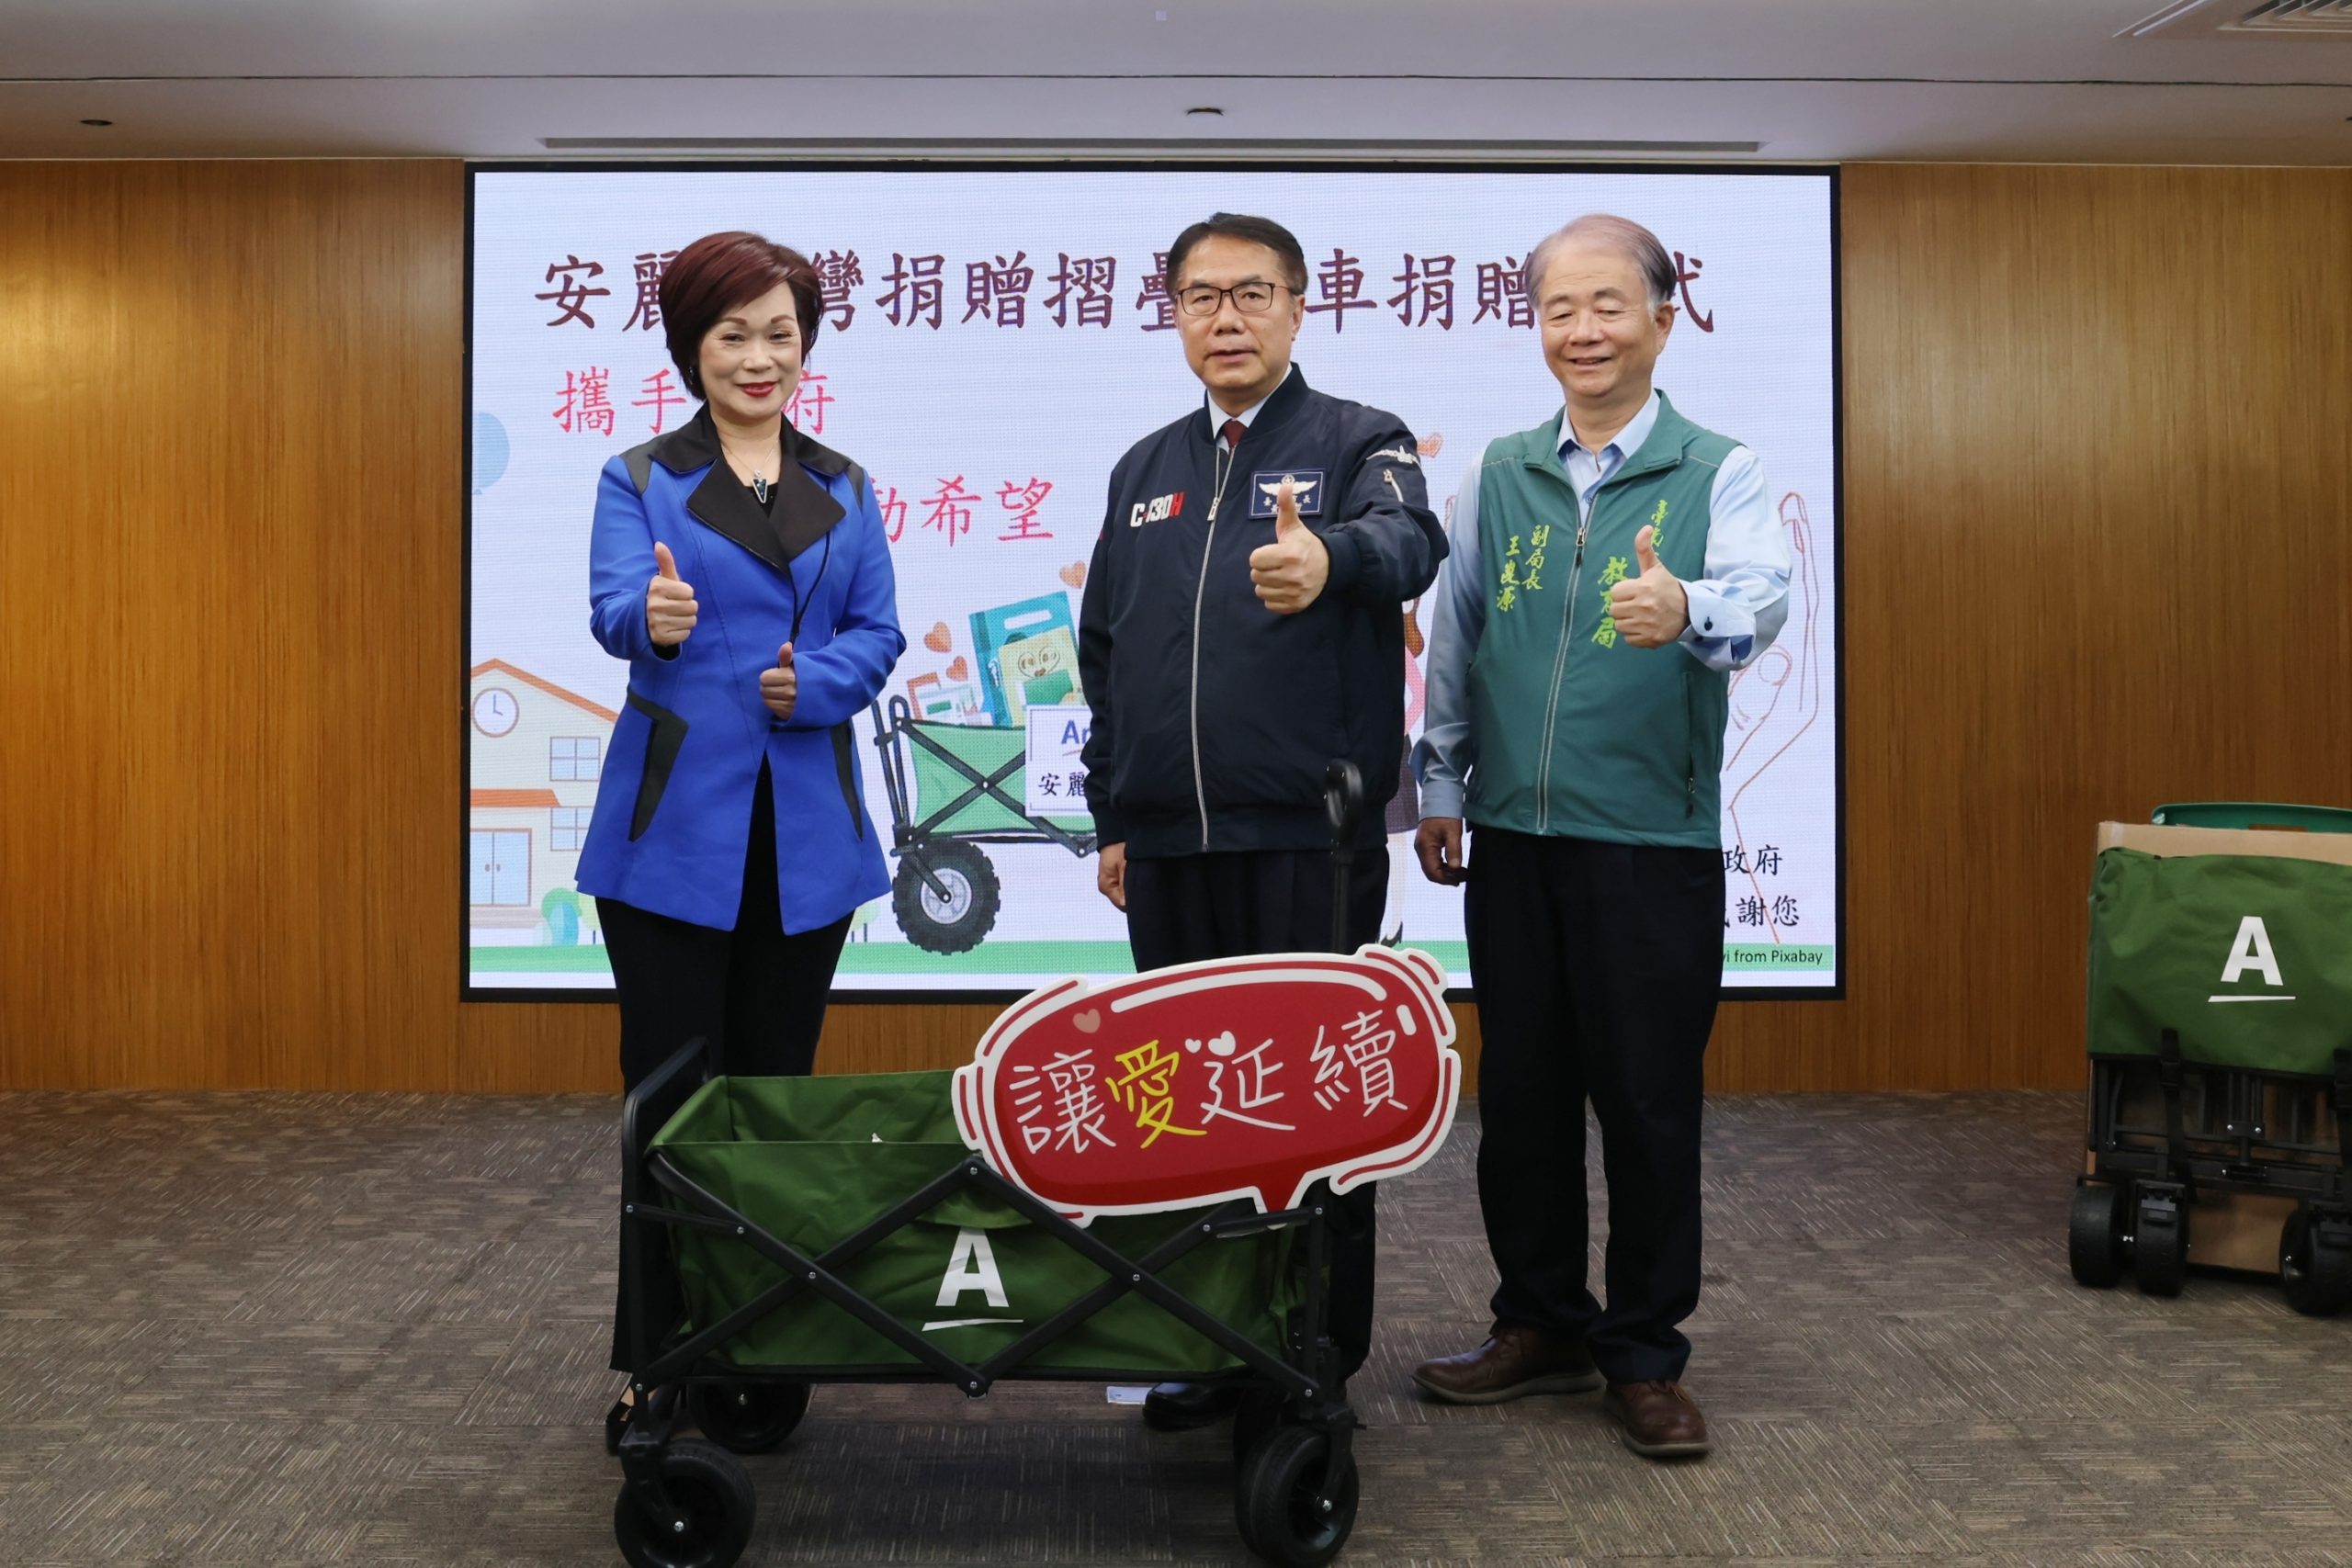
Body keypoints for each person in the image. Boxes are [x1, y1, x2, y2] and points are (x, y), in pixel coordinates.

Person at [1408, 213, 1790, 1461]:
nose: (1582, 330)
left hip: (1649, 844)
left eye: (1607, 306)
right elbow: (1459, 637)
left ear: (1662, 320)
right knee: (1520, 1098)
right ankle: (1538, 1322)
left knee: (1646, 1103)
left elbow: (1762, 600)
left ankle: (1643, 1353)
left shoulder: (1715, 469)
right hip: (1512, 839)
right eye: (1558, 309)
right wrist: (1444, 783)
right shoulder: (1498, 472)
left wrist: (1686, 604)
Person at [1077, 212, 1445, 1429]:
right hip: (1169, 848)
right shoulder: (1144, 468)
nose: (1225, 318)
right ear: (1174, 315)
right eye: (1201, 296)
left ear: (1297, 306)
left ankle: (1310, 1359)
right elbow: (1105, 653)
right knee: (1185, 1104)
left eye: (1251, 293)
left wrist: (1331, 560)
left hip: (1305, 841)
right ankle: (1212, 1340)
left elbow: (1412, 541)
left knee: (1310, 1098)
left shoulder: (1358, 439)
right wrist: (1114, 815)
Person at [577, 230, 906, 1386]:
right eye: (733, 335)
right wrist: (653, 621)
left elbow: (878, 631)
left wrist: (816, 683)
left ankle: (766, 1340)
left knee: (775, 1094)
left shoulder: (845, 485)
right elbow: (616, 606)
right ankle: (667, 1354)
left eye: (781, 334)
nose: (760, 358)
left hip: (806, 832)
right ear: (691, 348)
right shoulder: (638, 477)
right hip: (672, 833)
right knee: (670, 1094)